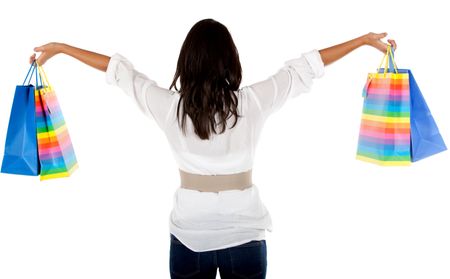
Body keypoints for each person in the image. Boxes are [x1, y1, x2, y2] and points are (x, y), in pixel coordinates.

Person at [30, 18, 396, 279]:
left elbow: (119, 71)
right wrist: (362, 41)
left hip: (189, 237)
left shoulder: (168, 108)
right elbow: (305, 67)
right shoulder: (252, 102)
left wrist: (61, 49)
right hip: (246, 238)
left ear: (186, 62)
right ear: (231, 60)